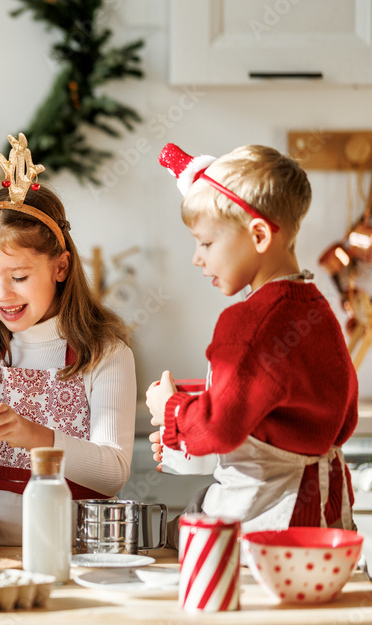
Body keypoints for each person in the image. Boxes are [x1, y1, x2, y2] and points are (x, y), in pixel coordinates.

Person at [147, 143, 358, 534]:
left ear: (259, 234)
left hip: (269, 523)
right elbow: (338, 417)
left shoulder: (248, 321)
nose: (197, 257)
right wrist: (195, 426)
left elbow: (219, 428)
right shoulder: (317, 308)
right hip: (326, 518)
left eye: (206, 243)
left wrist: (173, 411)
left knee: (176, 542)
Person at [0, 134, 135, 546]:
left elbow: (113, 470)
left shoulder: (105, 354)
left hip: (78, 550)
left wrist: (34, 436)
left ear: (60, 267)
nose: (3, 294)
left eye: (20, 277)